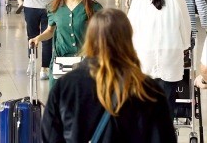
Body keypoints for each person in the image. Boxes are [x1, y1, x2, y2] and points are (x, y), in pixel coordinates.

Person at [41, 8, 177, 142]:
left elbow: (49, 136)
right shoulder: (147, 90)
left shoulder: (66, 86)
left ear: (89, 39)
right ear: (128, 39)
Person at [127, 0, 191, 116]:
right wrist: (182, 47)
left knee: (144, 109)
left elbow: (129, 30)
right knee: (166, 110)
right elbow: (185, 29)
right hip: (171, 59)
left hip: (143, 58)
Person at [28, 0, 102, 82]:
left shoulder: (94, 8)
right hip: (60, 63)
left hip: (86, 62)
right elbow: (50, 31)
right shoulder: (54, 7)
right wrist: (38, 38)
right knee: (58, 98)